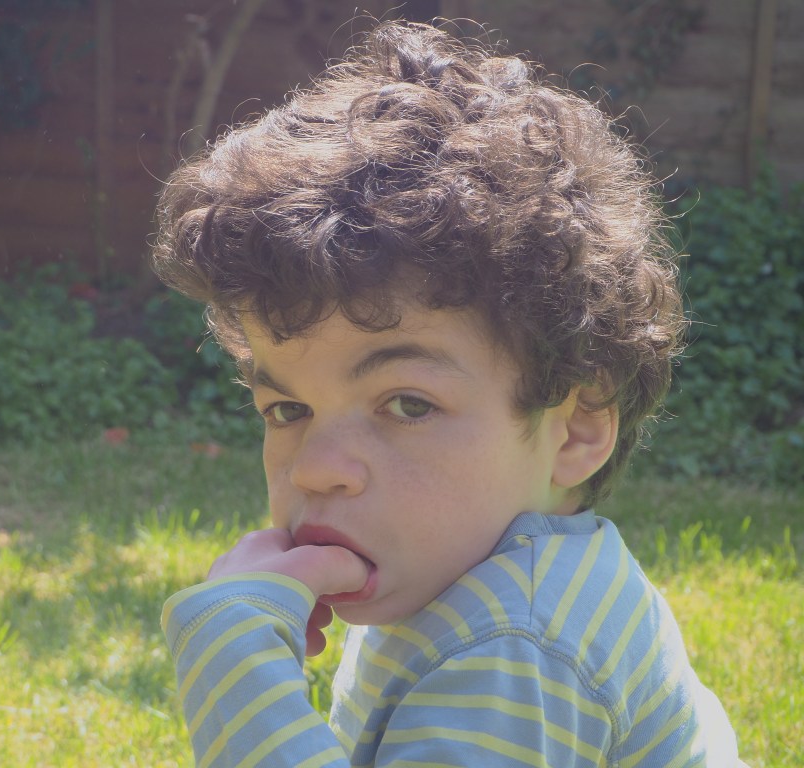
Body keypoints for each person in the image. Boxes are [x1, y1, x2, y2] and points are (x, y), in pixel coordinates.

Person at [152, 19, 744, 767]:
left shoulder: (516, 646)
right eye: (289, 410)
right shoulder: (474, 580)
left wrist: (235, 671)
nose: (314, 468)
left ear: (576, 428)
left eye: (407, 404)